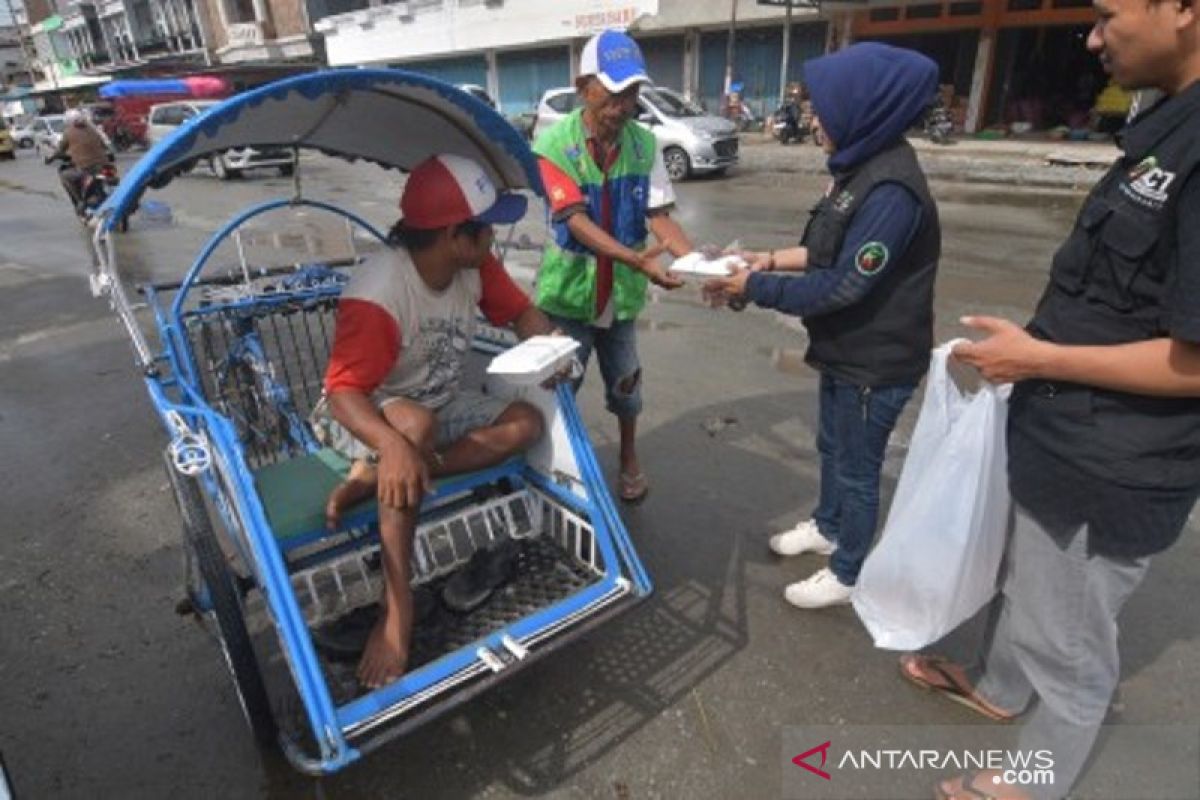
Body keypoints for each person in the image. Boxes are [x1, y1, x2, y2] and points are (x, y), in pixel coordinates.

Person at [899, 0, 1200, 796]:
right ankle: (999, 690)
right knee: (1025, 580)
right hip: (1063, 432)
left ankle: (1034, 781)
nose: (1092, 38)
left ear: (1183, 8)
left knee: (1070, 644)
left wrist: (1039, 357)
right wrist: (1031, 360)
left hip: (1115, 462)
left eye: (1107, 15)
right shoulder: (1169, 123)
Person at [703, 43, 941, 609]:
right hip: (844, 350)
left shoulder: (892, 192)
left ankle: (849, 570)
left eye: (823, 108)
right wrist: (764, 259)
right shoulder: (856, 170)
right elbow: (821, 251)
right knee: (833, 447)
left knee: (859, 468)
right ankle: (829, 526)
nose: (813, 118)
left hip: (875, 359)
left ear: (862, 108)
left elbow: (843, 285)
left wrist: (751, 287)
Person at [312, 153, 556, 689]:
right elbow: (342, 394)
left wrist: (548, 349)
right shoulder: (380, 291)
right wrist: (391, 445)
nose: (495, 237)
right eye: (487, 227)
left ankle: (385, 479)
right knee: (413, 428)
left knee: (525, 423)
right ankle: (395, 609)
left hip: (437, 407)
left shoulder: (474, 267)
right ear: (455, 235)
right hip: (366, 416)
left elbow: (521, 313)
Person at [532, 29, 695, 503]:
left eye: (632, 93)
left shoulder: (644, 144)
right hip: (567, 298)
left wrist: (702, 264)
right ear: (585, 87)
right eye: (614, 91)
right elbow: (576, 221)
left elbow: (659, 215)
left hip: (620, 298)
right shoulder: (553, 145)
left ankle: (627, 458)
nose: (623, 105)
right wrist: (635, 260)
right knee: (560, 389)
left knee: (627, 384)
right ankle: (554, 462)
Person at [48, 108, 110, 214]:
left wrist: (50, 158)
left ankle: (80, 201)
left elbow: (60, 150)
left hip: (86, 168)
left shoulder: (68, 132)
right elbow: (104, 146)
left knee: (65, 176)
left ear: (68, 121)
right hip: (104, 165)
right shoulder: (92, 129)